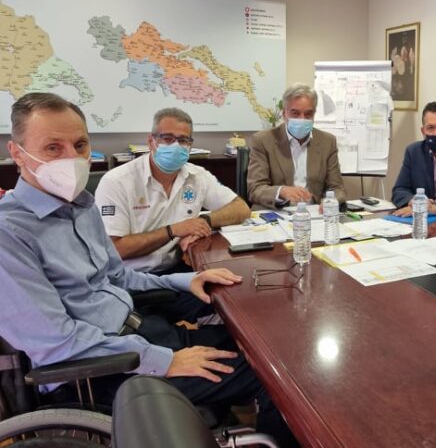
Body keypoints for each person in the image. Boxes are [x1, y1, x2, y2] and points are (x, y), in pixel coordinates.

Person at [0, 93, 296, 446]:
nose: (72, 158)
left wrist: (187, 280)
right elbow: (57, 343)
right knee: (280, 379)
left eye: (79, 145)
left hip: (141, 332)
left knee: (268, 350)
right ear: (17, 153)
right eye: (53, 148)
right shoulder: (9, 234)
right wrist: (164, 360)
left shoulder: (80, 205)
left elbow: (119, 277)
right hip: (103, 371)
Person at [95, 107, 250, 275]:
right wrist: (173, 230)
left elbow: (241, 208)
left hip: (178, 269)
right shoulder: (117, 181)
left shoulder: (197, 176)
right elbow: (115, 249)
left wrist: (204, 221)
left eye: (183, 140)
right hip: (129, 277)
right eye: (167, 138)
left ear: (190, 145)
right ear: (151, 141)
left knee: (231, 280)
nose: (176, 146)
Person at [247, 83, 346, 207]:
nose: (302, 119)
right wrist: (281, 191)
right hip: (277, 212)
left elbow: (337, 188)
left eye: (308, 114)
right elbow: (255, 189)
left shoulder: (327, 142)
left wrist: (330, 202)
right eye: (295, 113)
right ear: (284, 114)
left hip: (313, 212)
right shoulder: (263, 141)